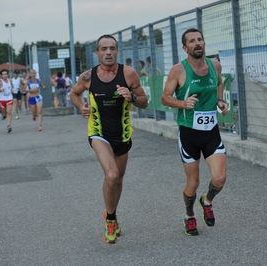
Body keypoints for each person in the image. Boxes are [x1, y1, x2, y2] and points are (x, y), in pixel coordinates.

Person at [70, 34, 148, 244]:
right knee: (112, 175)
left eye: (112, 48)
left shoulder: (129, 74)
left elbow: (144, 102)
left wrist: (131, 97)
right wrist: (81, 107)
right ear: (97, 53)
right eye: (103, 49)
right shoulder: (88, 77)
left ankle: (111, 212)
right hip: (98, 133)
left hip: (122, 134)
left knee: (119, 179)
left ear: (117, 51)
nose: (108, 53)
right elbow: (74, 94)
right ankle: (111, 220)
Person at [161, 28, 228, 236]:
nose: (197, 43)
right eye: (192, 41)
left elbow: (219, 82)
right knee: (193, 182)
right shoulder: (178, 70)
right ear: (185, 47)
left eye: (200, 39)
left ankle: (206, 202)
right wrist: (183, 103)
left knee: (219, 179)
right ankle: (189, 216)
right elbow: (165, 97)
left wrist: (219, 100)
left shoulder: (214, 65)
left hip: (211, 131)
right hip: (189, 133)